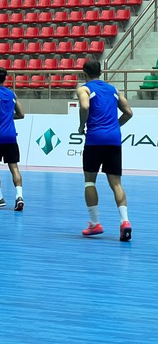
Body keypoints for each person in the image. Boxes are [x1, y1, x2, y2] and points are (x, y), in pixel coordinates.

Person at [77, 59, 133, 241]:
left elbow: (85, 106)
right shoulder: (113, 90)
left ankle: (94, 223)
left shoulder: (84, 89)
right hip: (114, 140)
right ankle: (125, 222)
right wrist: (115, 126)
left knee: (90, 182)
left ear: (84, 73)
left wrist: (81, 125)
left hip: (94, 140)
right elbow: (129, 113)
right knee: (116, 183)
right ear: (100, 72)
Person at [0, 66, 25, 210]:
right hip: (10, 136)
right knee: (14, 168)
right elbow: (21, 115)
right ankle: (19, 196)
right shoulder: (12, 94)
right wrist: (8, 117)